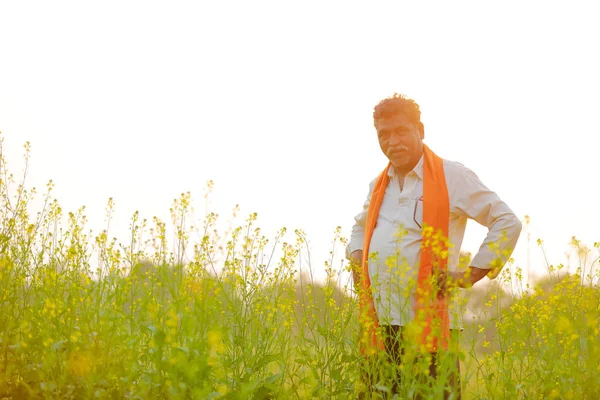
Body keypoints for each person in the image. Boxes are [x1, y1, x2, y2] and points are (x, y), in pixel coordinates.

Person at [346, 93, 522, 399]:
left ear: (420, 130)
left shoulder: (451, 175)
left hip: (431, 328)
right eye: (383, 134)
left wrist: (468, 276)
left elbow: (507, 221)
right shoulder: (378, 184)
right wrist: (358, 260)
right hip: (380, 324)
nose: (393, 141)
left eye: (401, 131)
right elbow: (360, 228)